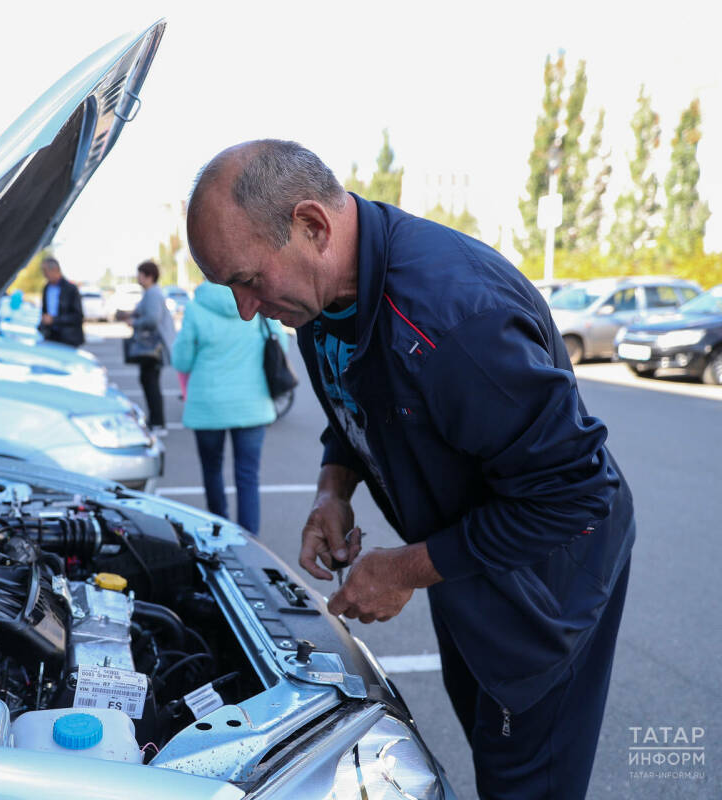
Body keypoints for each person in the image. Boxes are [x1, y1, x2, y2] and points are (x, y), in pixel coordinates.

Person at [185, 139, 634, 800]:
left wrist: (406, 568)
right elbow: (352, 406)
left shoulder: (454, 324)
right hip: (468, 560)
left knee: (521, 778)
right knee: (488, 741)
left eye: (249, 280)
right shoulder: (318, 296)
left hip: (545, 585)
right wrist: (331, 490)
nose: (248, 308)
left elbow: (576, 493)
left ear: (313, 226)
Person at [172, 282, 288, 534]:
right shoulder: (257, 302)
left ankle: (219, 530)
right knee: (248, 477)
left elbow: (181, 360)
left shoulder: (195, 308)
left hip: (208, 405)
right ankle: (249, 539)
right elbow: (282, 345)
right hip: (251, 404)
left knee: (212, 470)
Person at [129, 260, 177, 432]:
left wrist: (134, 322)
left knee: (151, 383)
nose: (138, 278)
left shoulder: (152, 294)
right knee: (149, 382)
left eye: (140, 274)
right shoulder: (152, 293)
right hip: (153, 348)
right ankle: (156, 421)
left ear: (149, 276)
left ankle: (158, 422)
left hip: (153, 348)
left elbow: (152, 319)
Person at [38, 257, 85, 347]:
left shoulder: (71, 289)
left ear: (55, 270)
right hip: (51, 336)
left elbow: (78, 317)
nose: (44, 274)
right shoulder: (46, 288)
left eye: (45, 271)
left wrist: (54, 320)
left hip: (68, 338)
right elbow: (45, 312)